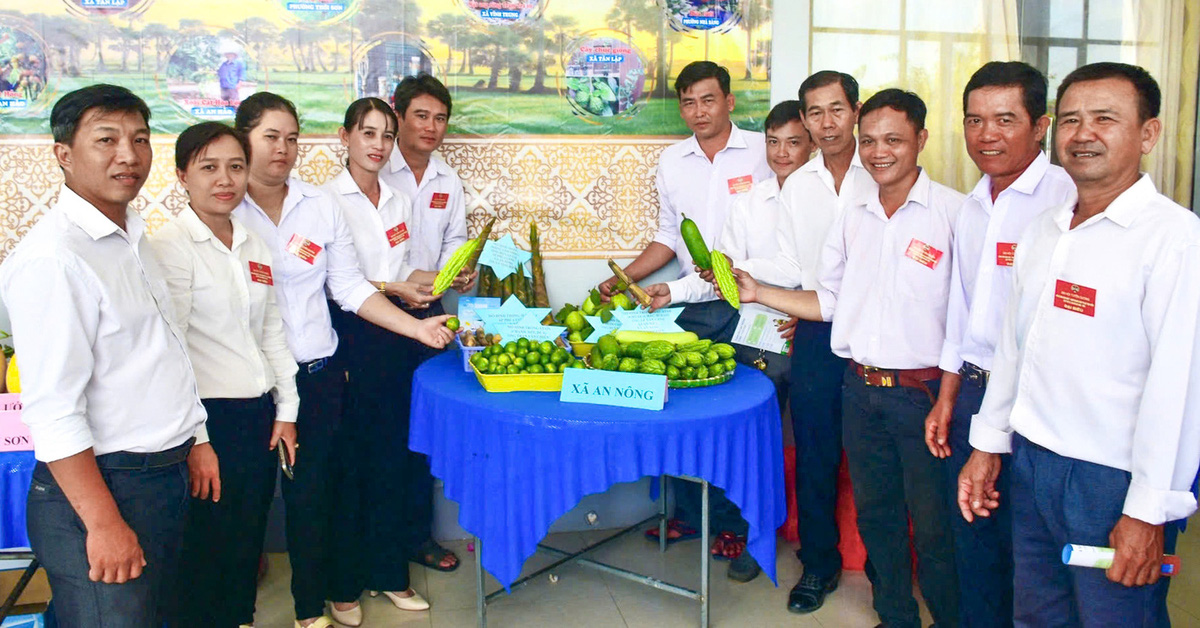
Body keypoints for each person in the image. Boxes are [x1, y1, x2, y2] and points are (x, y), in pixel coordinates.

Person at [959, 62, 1200, 627]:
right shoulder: (1044, 230)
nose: (1083, 133)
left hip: (1110, 480)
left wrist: (1148, 511)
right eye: (1070, 120)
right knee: (1037, 615)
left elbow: (1180, 389)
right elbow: (1014, 350)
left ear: (1148, 134)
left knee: (1115, 618)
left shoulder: (1175, 240)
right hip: (1033, 461)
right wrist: (988, 444)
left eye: (1105, 119)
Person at [719, 89, 964, 628]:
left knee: (932, 521)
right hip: (853, 374)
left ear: (921, 140)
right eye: (871, 142)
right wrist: (759, 292)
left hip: (921, 389)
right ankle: (884, 607)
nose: (878, 151)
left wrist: (948, 398)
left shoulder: (956, 214)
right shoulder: (849, 213)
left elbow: (968, 321)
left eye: (892, 140)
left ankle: (946, 614)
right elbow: (828, 297)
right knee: (866, 503)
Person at [232, 91, 454, 628]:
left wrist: (417, 325)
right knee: (240, 506)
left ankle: (323, 602)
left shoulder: (316, 205)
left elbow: (349, 284)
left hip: (319, 367)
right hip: (249, 380)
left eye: (290, 138)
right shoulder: (225, 208)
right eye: (270, 137)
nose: (282, 148)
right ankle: (244, 609)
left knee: (323, 490)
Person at [0, 84, 206, 626]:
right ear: (63, 154)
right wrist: (104, 524)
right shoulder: (55, 259)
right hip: (102, 488)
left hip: (158, 478)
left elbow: (160, 351)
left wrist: (195, 438)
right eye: (106, 139)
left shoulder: (131, 234)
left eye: (140, 139)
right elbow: (54, 409)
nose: (128, 155)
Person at [921, 61, 1075, 628]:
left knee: (1029, 551)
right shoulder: (973, 205)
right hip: (972, 392)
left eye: (1005, 120)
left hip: (1036, 402)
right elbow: (961, 312)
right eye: (975, 120)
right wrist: (946, 397)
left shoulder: (1066, 201)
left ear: (1040, 126)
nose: (987, 135)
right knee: (972, 534)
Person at [599, 60, 771, 550]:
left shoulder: (763, 152)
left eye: (708, 99)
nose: (699, 111)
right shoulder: (672, 161)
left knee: (735, 420)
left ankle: (735, 525)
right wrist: (625, 278)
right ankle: (689, 517)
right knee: (680, 411)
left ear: (729, 101)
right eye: (689, 102)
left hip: (752, 302)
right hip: (693, 300)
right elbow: (668, 237)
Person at [644, 99, 813, 583]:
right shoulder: (750, 202)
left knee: (769, 442)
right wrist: (672, 291)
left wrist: (746, 275)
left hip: (795, 334)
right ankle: (721, 522)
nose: (782, 153)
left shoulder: (824, 200)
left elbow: (807, 273)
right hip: (746, 333)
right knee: (732, 437)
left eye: (793, 143)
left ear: (811, 146)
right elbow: (719, 277)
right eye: (774, 142)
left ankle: (757, 536)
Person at [149, 122, 299, 628]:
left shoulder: (253, 242)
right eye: (209, 167)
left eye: (236, 167)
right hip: (208, 420)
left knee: (246, 539)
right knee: (206, 547)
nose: (225, 179)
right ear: (182, 176)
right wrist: (197, 441)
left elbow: (271, 330)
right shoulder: (170, 247)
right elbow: (171, 353)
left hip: (257, 415)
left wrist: (287, 409)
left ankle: (240, 619)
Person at [736, 70, 869, 614]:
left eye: (836, 109)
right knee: (816, 455)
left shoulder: (881, 170)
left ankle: (887, 569)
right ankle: (819, 564)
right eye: (815, 112)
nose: (826, 122)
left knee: (877, 458)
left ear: (855, 111)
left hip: (878, 336)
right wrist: (746, 278)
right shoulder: (800, 187)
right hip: (817, 332)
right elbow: (793, 266)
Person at [322, 97, 440, 625]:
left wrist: (437, 281)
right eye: (367, 133)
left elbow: (405, 270)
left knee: (393, 458)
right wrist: (395, 288)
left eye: (386, 135)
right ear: (344, 136)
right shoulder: (324, 201)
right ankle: (343, 586)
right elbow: (337, 283)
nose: (378, 145)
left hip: (398, 336)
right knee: (352, 464)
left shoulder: (397, 200)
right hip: (350, 337)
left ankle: (390, 573)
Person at [380, 72, 475, 573]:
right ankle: (379, 544)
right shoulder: (375, 169)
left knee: (422, 431)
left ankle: (419, 537)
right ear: (398, 116)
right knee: (381, 433)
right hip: (378, 315)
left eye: (440, 118)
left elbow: (454, 246)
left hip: (430, 317)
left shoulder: (446, 180)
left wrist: (462, 270)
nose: (431, 127)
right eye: (421, 115)